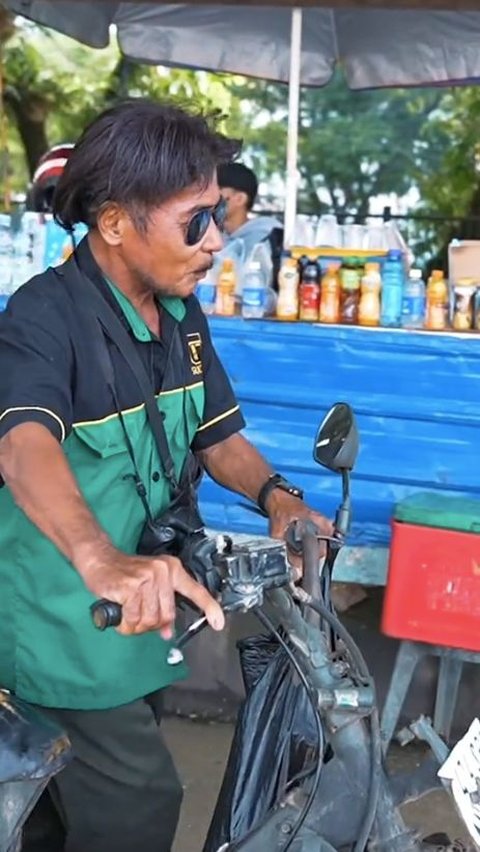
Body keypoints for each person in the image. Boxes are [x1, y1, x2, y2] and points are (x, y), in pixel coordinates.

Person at [0, 99, 331, 852]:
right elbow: (21, 445)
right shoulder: (43, 317)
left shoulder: (179, 314)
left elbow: (220, 437)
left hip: (146, 609)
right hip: (62, 623)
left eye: (217, 216)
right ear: (114, 223)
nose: (216, 240)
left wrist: (280, 499)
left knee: (56, 810)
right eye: (195, 221)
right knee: (140, 807)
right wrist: (101, 557)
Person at [217, 161, 284, 289]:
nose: (209, 199)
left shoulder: (262, 239)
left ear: (240, 199)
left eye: (217, 192)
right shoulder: (215, 236)